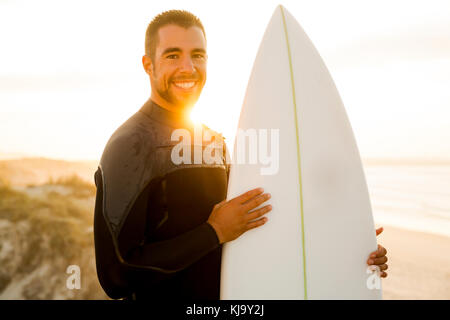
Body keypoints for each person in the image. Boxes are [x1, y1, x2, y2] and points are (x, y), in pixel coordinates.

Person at [93, 9, 388, 300]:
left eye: (197, 55)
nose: (188, 67)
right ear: (148, 65)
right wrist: (214, 232)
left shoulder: (213, 142)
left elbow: (254, 222)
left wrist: (345, 242)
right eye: (173, 55)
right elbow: (116, 274)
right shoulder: (130, 144)